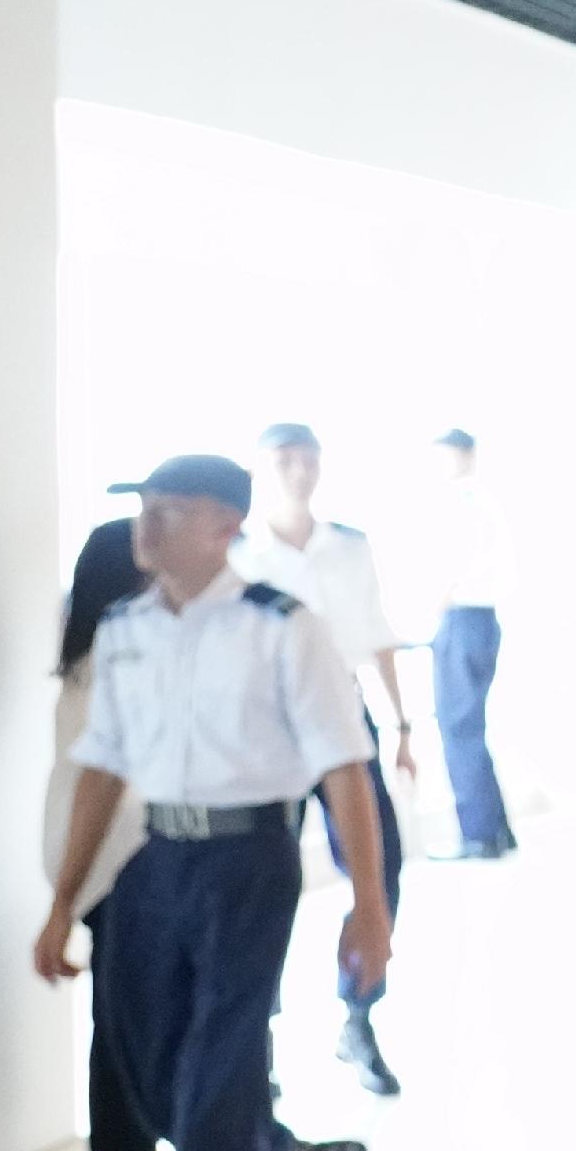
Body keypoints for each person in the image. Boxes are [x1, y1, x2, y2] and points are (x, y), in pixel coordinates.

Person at [34, 455, 381, 1151]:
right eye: (140, 510)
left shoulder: (280, 627)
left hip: (246, 866)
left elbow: (343, 769)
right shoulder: (127, 629)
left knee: (217, 1073)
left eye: (167, 510)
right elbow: (103, 767)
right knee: (151, 1073)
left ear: (224, 523)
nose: (145, 526)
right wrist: (64, 901)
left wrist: (369, 903)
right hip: (154, 863)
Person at [236, 422, 413, 1097]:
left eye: (308, 459)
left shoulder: (349, 547)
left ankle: (358, 1014)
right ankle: (262, 1042)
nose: (299, 472)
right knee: (265, 880)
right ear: (263, 468)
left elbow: (377, 633)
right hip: (265, 729)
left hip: (345, 717)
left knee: (379, 865)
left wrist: (401, 726)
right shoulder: (243, 551)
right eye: (285, 461)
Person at [50, 517, 170, 1151]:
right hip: (115, 852)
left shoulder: (85, 654)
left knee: (123, 1016)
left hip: (100, 850)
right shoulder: (118, 658)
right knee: (126, 1022)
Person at [423, 425, 518, 859]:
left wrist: (435, 602)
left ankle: (479, 835)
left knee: (458, 728)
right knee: (469, 728)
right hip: (481, 619)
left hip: (462, 618)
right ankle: (495, 829)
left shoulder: (458, 502)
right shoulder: (485, 501)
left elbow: (450, 565)